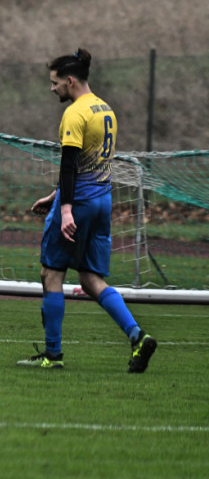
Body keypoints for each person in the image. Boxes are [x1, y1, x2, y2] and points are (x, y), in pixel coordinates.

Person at [17, 48, 157, 372]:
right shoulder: (105, 109)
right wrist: (56, 195)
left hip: (78, 205)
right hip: (101, 202)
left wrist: (65, 209)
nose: (52, 89)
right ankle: (137, 335)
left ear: (69, 81)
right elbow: (90, 165)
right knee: (91, 278)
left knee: (50, 273)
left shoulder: (75, 113)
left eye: (54, 83)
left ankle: (53, 354)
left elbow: (69, 164)